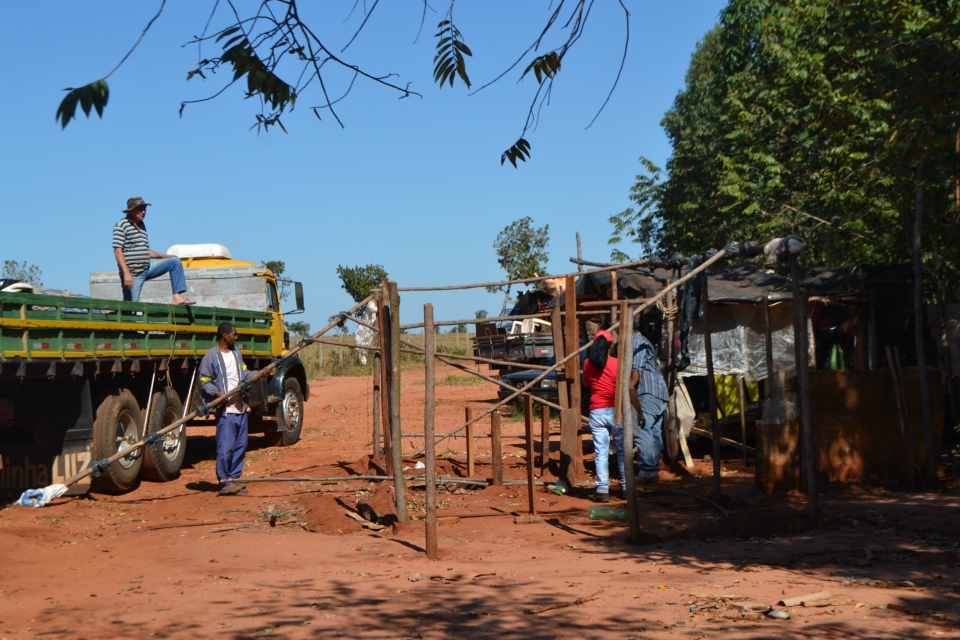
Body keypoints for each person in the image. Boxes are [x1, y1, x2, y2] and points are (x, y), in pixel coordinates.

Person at [200, 322, 256, 496]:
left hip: (241, 408)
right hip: (226, 411)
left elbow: (244, 373)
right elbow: (204, 380)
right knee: (225, 448)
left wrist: (258, 373)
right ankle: (224, 481)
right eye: (234, 334)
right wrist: (217, 393)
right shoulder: (211, 356)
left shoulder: (236, 353)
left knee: (241, 446)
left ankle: (234, 480)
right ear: (225, 335)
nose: (236, 337)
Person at [112, 197, 195, 305]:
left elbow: (145, 250)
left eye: (144, 209)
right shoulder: (121, 225)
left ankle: (177, 297)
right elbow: (118, 251)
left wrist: (163, 256)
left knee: (174, 261)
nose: (144, 212)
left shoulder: (142, 226)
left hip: (147, 268)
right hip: (133, 274)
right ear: (131, 210)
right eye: (140, 209)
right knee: (131, 307)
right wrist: (126, 273)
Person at [582, 329, 625, 503]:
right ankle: (626, 487)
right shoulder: (617, 363)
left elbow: (586, 383)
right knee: (623, 451)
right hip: (615, 410)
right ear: (611, 345)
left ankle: (602, 490)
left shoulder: (586, 363)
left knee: (601, 452)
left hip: (597, 411)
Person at [629, 317, 669, 484]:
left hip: (648, 392)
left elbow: (635, 375)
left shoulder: (637, 344)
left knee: (642, 428)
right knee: (653, 431)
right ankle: (653, 466)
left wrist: (628, 387)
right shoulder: (643, 341)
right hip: (660, 393)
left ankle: (648, 470)